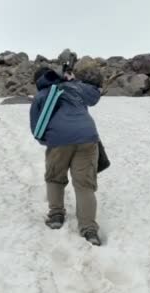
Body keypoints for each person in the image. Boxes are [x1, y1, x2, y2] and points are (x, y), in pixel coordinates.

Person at [29, 66, 104, 246]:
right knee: (84, 184)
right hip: (87, 136)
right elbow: (94, 95)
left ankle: (56, 215)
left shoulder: (41, 96)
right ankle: (89, 230)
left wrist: (50, 141)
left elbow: (36, 128)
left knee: (55, 177)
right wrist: (75, 80)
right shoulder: (73, 87)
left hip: (58, 140)